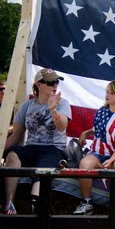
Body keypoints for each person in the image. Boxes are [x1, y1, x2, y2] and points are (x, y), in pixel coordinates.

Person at [2, 68, 71, 215]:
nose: (55, 85)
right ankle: (9, 204)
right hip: (31, 147)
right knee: (13, 155)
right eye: (50, 82)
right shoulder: (26, 106)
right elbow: (15, 136)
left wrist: (53, 110)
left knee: (42, 167)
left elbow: (62, 127)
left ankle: (33, 205)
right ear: (38, 84)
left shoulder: (63, 103)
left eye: (56, 82)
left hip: (54, 148)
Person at [73, 79, 115, 215]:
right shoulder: (102, 111)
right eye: (107, 91)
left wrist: (111, 160)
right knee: (84, 164)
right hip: (97, 152)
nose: (108, 95)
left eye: (112, 93)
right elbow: (99, 129)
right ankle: (86, 202)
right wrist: (86, 132)